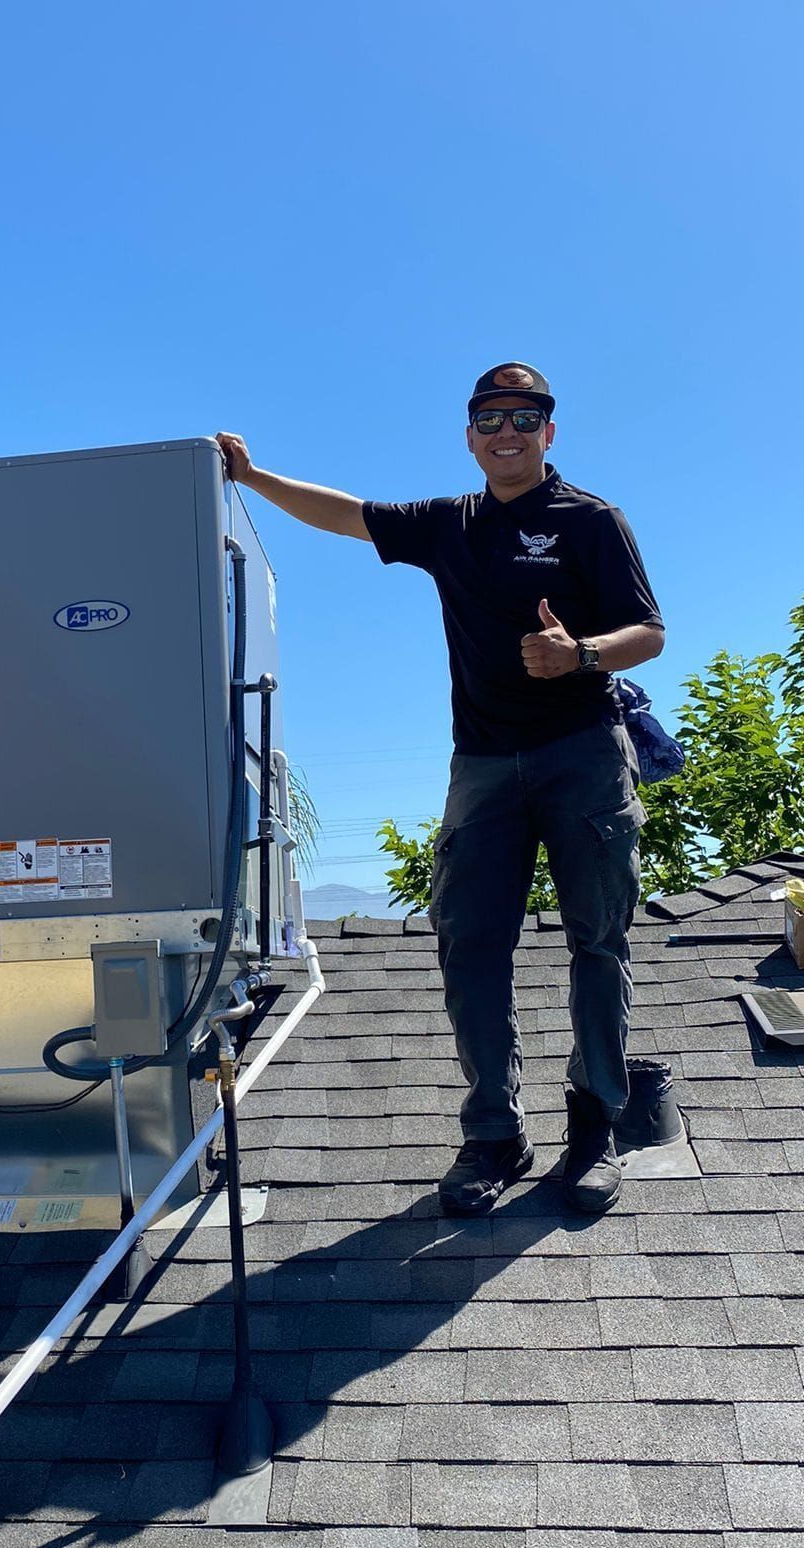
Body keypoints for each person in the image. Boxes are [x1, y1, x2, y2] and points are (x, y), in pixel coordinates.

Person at [216, 362, 665, 1216]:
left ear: (549, 434)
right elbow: (348, 516)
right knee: (469, 946)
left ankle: (593, 1128)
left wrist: (582, 656)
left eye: (525, 419)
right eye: (491, 419)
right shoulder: (450, 524)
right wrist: (251, 475)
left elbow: (650, 630)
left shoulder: (591, 520)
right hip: (483, 766)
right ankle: (495, 1134)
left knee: (598, 944)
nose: (508, 432)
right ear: (469, 437)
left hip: (584, 755)